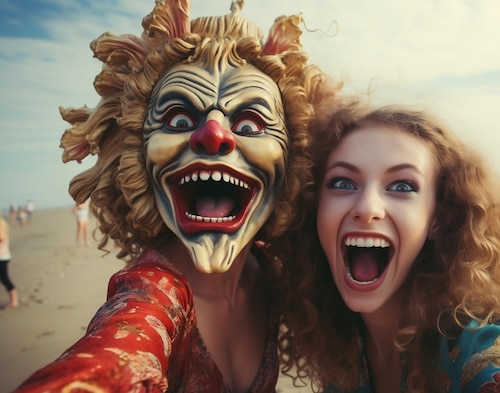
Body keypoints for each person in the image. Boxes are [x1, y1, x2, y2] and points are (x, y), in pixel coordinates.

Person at [13, 0, 340, 392]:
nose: (213, 136)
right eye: (179, 120)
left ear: (294, 159)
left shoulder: (273, 272)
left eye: (251, 123)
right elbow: (110, 360)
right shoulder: (150, 295)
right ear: (135, 150)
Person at [275, 105, 500, 392]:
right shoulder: (344, 348)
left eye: (402, 186)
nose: (367, 207)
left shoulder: (489, 352)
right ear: (313, 207)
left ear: (439, 218)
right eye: (343, 182)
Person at [0, 215, 18, 309]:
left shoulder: (1, 225)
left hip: (2, 256)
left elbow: (1, 238)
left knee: (5, 279)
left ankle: (14, 301)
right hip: (3, 256)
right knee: (4, 279)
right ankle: (14, 300)